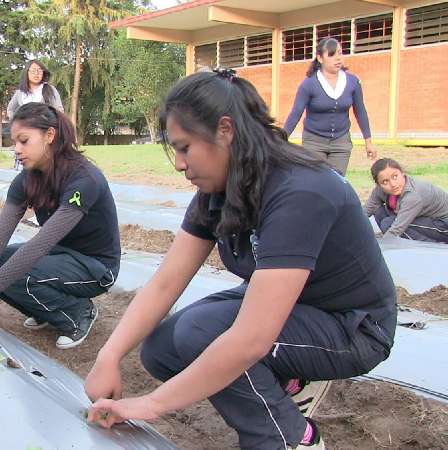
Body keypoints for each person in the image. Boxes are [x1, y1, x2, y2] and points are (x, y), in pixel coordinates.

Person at [83, 70, 396, 449]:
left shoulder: (300, 190)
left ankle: (294, 438)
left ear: (225, 130)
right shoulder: (222, 188)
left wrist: (151, 404)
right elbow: (166, 282)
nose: (179, 164)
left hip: (352, 327)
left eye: (184, 148)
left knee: (206, 333)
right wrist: (109, 355)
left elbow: (251, 339)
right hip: (294, 310)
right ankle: (288, 384)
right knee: (162, 348)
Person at [0, 103, 120, 349]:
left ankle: (77, 313)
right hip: (61, 256)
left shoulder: (83, 178)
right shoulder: (26, 180)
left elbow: (40, 244)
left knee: (18, 274)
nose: (16, 149)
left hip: (96, 266)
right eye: (14, 142)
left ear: (50, 135)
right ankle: (44, 308)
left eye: (24, 141)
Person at [284, 37, 377, 175]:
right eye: (332, 54)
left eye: (340, 53)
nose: (338, 58)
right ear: (320, 58)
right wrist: (281, 139)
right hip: (314, 142)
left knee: (337, 183)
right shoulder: (309, 84)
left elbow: (361, 111)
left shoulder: (352, 81)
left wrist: (368, 142)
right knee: (316, 182)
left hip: (341, 142)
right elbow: (295, 113)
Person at [364, 158, 448, 243]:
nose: (393, 184)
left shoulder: (413, 195)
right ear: (378, 184)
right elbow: (365, 211)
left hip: (444, 225)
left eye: (395, 177)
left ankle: (431, 245)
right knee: (379, 212)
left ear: (402, 173)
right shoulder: (379, 190)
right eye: (385, 182)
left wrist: (381, 247)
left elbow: (396, 230)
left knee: (388, 224)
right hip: (425, 219)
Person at [7, 60, 65, 171]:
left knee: (45, 164)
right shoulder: (20, 93)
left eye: (39, 70)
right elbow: (10, 109)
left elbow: (59, 111)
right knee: (25, 167)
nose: (37, 73)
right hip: (25, 136)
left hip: (44, 134)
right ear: (27, 73)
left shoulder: (49, 90)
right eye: (33, 70)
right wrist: (18, 125)